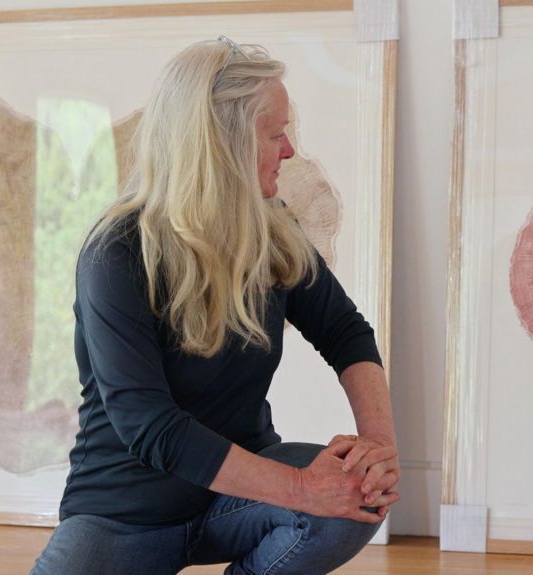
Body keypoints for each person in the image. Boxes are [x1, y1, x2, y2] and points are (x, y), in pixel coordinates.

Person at [30, 37, 399, 575]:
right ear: (222, 143)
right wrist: (300, 487)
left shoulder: (273, 230)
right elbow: (151, 426)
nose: (290, 150)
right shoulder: (117, 253)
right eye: (276, 135)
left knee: (355, 496)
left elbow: (345, 331)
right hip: (123, 517)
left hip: (237, 501)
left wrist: (379, 451)